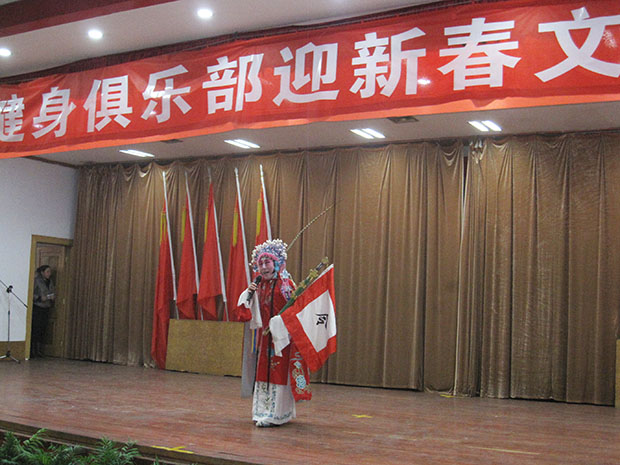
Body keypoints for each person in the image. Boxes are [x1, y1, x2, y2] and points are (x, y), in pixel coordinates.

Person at [236, 239, 311, 427]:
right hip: (265, 337)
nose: (263, 267)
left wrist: (280, 321)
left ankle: (277, 413)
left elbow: (296, 310)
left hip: (281, 338)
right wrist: (248, 295)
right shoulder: (259, 285)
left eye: (267, 262)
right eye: (260, 264)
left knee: (278, 372)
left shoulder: (286, 285)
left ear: (277, 263)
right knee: (264, 372)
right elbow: (245, 311)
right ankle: (261, 410)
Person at [31, 265, 55, 357]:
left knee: (43, 329)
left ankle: (39, 350)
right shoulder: (36, 281)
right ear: (42, 272)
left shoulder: (50, 281)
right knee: (36, 329)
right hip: (38, 307)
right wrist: (40, 298)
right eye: (47, 271)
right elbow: (31, 294)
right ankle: (32, 350)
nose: (49, 274)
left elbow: (52, 290)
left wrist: (52, 296)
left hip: (46, 307)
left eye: (50, 272)